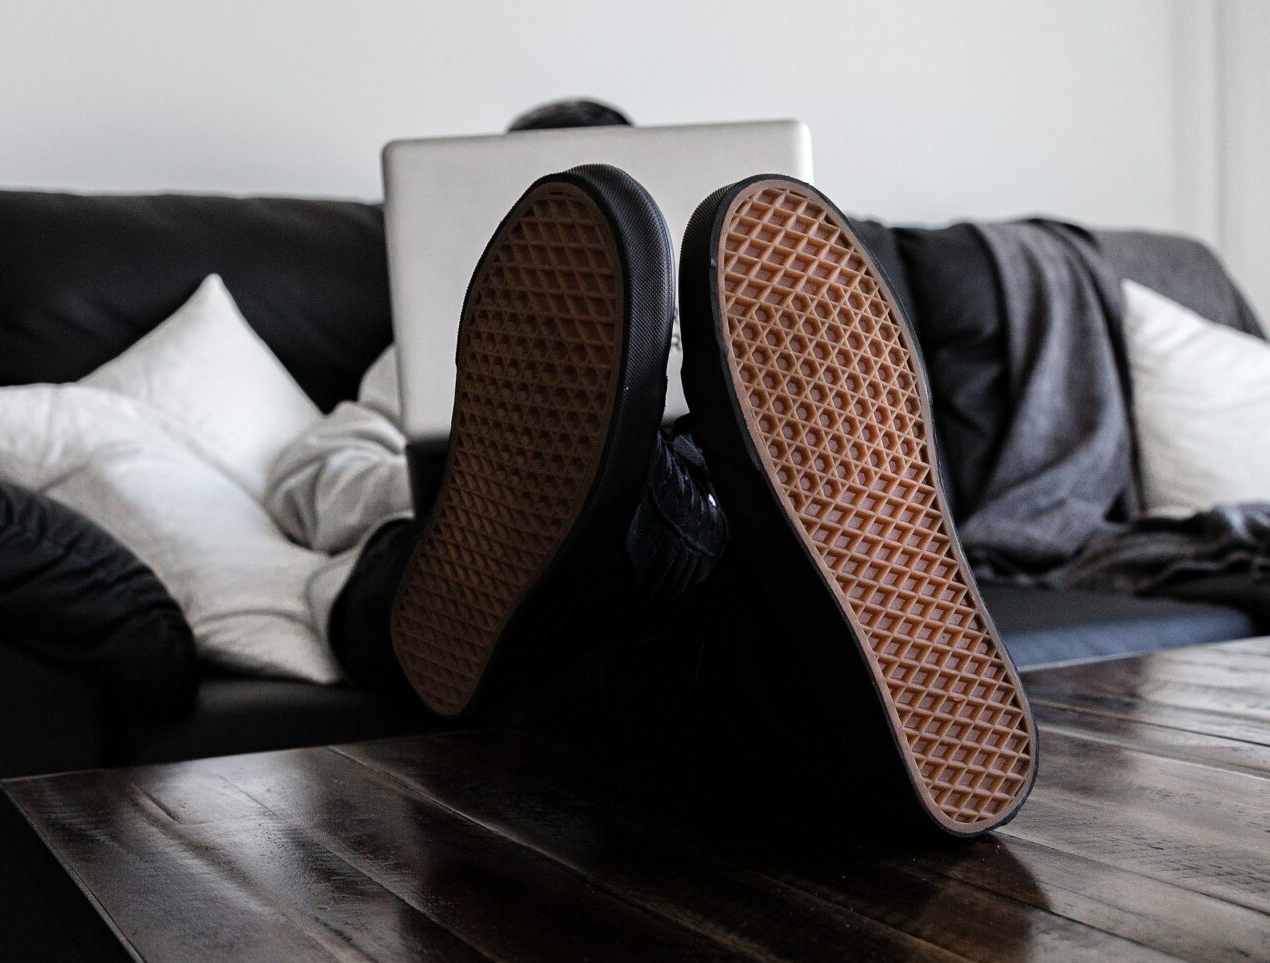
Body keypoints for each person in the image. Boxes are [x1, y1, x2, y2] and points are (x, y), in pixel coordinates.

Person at [270, 112, 1038, 837]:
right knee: (707, 637)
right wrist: (484, 480)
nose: (576, 274)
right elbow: (314, 474)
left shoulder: (734, 312)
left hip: (676, 554)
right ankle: (614, 512)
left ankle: (664, 510)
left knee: (695, 610)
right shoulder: (441, 345)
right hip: (486, 558)